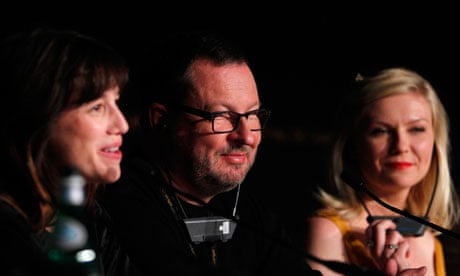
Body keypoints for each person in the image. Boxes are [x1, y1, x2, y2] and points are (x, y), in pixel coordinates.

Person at [99, 30, 323, 276]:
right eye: (222, 117)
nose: (246, 136)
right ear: (161, 120)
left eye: (252, 115)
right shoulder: (117, 209)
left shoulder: (251, 215)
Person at [0, 28, 138, 275]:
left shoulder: (93, 222)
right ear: (39, 117)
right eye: (97, 107)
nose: (122, 125)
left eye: (116, 102)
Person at [304, 67, 460, 276]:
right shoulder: (328, 232)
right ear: (353, 145)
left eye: (416, 129)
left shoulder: (430, 243)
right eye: (381, 131)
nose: (401, 145)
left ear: (436, 142)